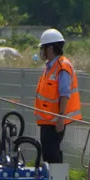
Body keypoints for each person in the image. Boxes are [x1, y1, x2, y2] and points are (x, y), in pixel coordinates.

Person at [33, 28, 82, 164]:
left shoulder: (62, 67)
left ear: (50, 48)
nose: (41, 52)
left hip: (55, 122)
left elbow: (64, 94)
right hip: (47, 121)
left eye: (43, 48)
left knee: (52, 155)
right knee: (49, 154)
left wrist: (61, 118)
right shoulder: (49, 67)